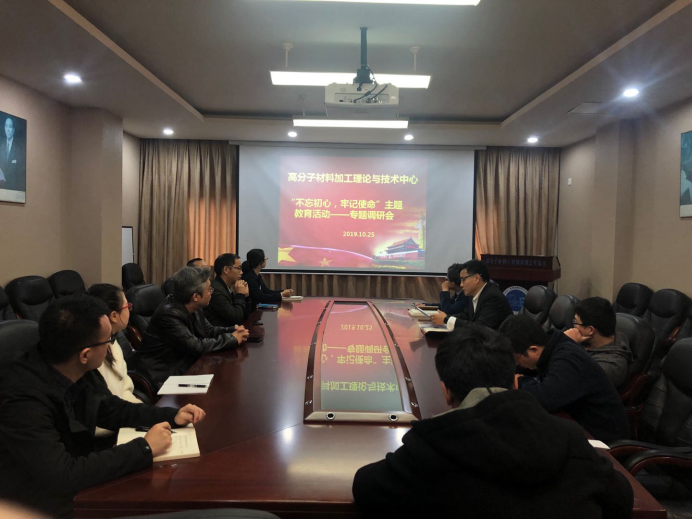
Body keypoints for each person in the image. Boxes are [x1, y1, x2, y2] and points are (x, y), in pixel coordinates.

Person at [352, 325, 633, 518]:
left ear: (446, 392)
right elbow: (621, 499)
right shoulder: (571, 438)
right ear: (514, 383)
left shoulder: (429, 447)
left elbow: (365, 487)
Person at [0, 295, 207, 518]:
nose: (111, 345)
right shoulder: (21, 400)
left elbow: (111, 409)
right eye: (109, 339)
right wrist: (144, 448)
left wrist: (172, 415)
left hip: (76, 473)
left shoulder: (74, 366)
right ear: (85, 354)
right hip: (37, 502)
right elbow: (62, 474)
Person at [499, 315, 630, 443]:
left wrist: (519, 381)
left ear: (533, 349)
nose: (518, 365)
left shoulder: (568, 358)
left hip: (602, 440)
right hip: (574, 425)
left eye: (517, 360)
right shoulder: (549, 347)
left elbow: (544, 399)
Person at [136, 266, 249, 390]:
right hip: (164, 376)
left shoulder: (193, 306)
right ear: (196, 296)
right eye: (209, 289)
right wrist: (232, 339)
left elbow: (208, 331)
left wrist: (232, 330)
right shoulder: (169, 315)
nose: (212, 292)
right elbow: (197, 346)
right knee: (219, 387)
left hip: (185, 365)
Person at [87, 284, 143, 437]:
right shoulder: (92, 353)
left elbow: (123, 388)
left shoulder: (112, 339)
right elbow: (104, 410)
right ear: (113, 316)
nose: (130, 310)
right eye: (127, 306)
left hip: (124, 416)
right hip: (107, 431)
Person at [565, 297, 633, 388]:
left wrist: (567, 346)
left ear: (590, 330)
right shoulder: (588, 339)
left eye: (576, 322)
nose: (573, 326)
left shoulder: (610, 366)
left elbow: (567, 380)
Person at [431, 259, 512, 331]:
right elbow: (466, 316)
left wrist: (447, 320)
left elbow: (481, 328)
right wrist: (447, 317)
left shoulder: (492, 297)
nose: (461, 285)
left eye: (463, 279)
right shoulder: (474, 294)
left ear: (476, 278)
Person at [204, 253, 251, 327]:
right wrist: (240, 295)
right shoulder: (215, 290)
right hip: (220, 332)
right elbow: (236, 318)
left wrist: (246, 297)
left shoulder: (228, 287)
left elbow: (244, 316)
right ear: (226, 270)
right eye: (238, 268)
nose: (241, 272)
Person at [0, 117, 25, 192]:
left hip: (14, 189)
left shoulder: (19, 148)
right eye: (6, 126)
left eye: (10, 127)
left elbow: (21, 173)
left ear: (13, 130)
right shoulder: (1, 146)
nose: (8, 129)